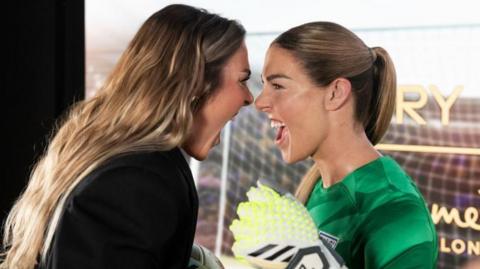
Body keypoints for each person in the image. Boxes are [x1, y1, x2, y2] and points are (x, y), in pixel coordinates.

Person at [1, 4, 253, 269]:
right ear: (197, 83)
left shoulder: (124, 165)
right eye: (242, 80)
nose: (249, 98)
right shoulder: (139, 180)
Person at [255, 22, 438, 268]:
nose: (260, 101)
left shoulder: (397, 213)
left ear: (335, 93)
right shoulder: (318, 187)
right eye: (264, 84)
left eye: (277, 86)